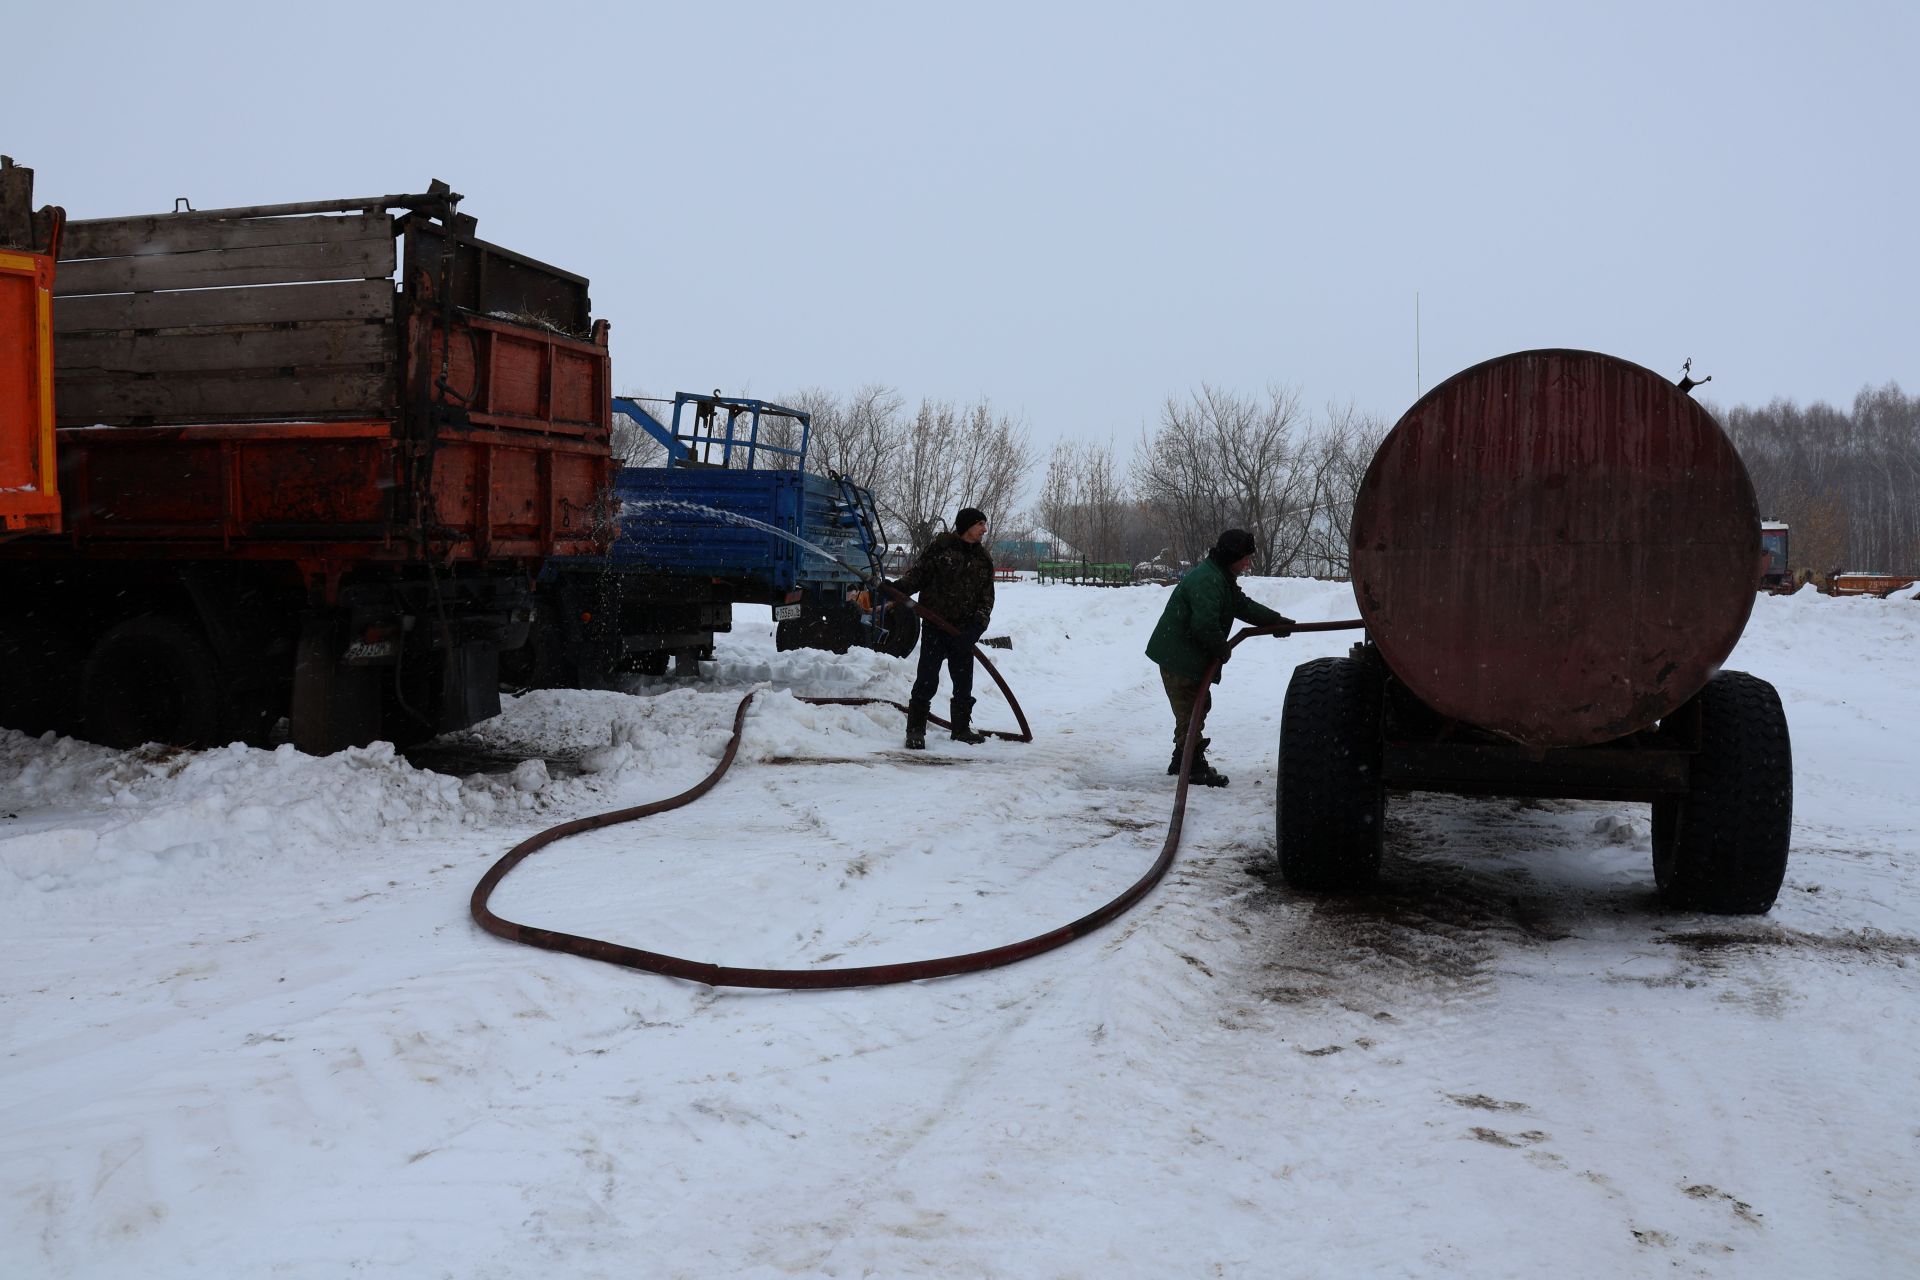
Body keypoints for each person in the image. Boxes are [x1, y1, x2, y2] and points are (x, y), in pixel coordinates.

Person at [1143, 528, 1293, 787]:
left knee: (1196, 706)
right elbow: (1203, 625)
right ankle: (1191, 765)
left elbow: (1241, 605)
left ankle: (1183, 757)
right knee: (1191, 708)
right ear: (1231, 556)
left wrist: (1274, 621)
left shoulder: (1220, 577)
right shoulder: (1208, 580)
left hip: (1185, 656)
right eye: (1246, 558)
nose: (1248, 564)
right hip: (1178, 657)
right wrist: (1221, 648)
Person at [889, 506, 996, 749]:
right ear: (967, 526)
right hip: (936, 626)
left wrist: (975, 629)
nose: (984, 529)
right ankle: (915, 730)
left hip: (963, 631)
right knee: (927, 679)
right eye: (980, 524)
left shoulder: (983, 559)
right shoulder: (941, 549)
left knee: (963, 682)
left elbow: (987, 599)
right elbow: (918, 576)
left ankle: (960, 729)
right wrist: (897, 588)